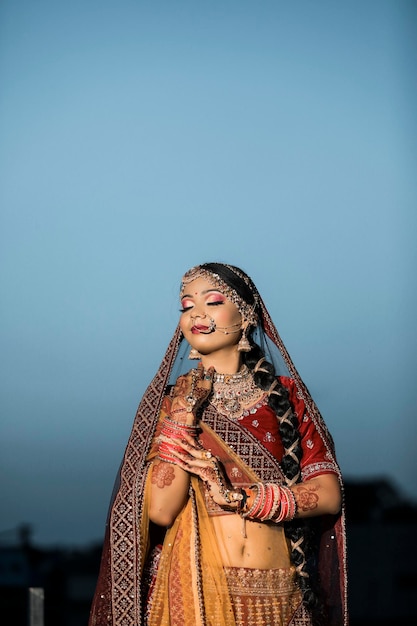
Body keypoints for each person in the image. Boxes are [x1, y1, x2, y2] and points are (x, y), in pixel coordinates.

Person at [89, 263, 348, 626]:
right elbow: (161, 512)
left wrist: (242, 498)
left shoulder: (288, 397)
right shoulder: (171, 404)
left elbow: (329, 493)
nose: (196, 313)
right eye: (186, 305)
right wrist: (183, 415)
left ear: (247, 317)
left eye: (211, 302)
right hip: (197, 597)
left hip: (281, 595)